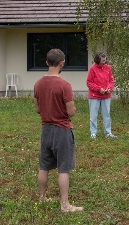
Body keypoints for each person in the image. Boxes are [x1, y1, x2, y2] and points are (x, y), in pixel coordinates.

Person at [34, 48, 83, 212]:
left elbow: (38, 109)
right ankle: (65, 205)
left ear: (47, 62)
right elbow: (71, 111)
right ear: (62, 63)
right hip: (62, 130)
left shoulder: (38, 83)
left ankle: (41, 198)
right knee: (64, 168)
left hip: (45, 129)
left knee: (44, 166)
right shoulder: (64, 85)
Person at [86, 51, 116, 139]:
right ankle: (93, 133)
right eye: (102, 60)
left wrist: (109, 88)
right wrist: (99, 89)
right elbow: (89, 82)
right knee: (93, 115)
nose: (104, 62)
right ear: (98, 60)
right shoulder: (92, 69)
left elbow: (111, 80)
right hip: (94, 96)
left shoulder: (108, 68)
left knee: (107, 114)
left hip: (106, 95)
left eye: (105, 60)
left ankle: (108, 132)